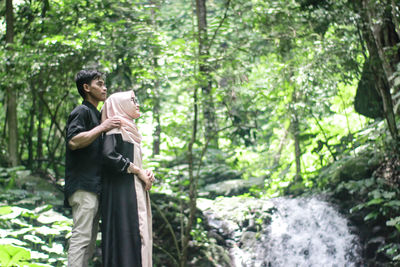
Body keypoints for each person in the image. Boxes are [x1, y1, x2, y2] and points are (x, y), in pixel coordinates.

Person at [65, 69, 121, 267]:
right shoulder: (82, 111)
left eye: (104, 84)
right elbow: (73, 141)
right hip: (83, 186)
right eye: (99, 84)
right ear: (86, 88)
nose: (104, 88)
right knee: (81, 237)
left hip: (95, 187)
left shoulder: (97, 114)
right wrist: (102, 127)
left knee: (89, 241)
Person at [101, 90, 154, 267]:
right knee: (128, 238)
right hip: (122, 195)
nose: (137, 103)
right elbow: (109, 156)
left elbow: (130, 161)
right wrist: (137, 170)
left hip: (132, 191)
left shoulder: (130, 130)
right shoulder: (115, 128)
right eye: (132, 100)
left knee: (137, 237)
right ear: (120, 106)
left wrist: (145, 172)